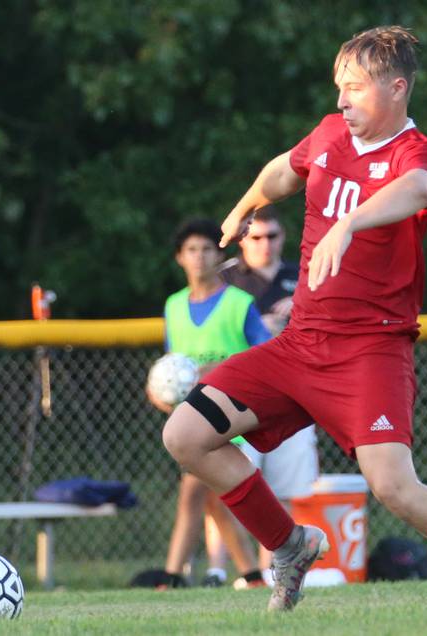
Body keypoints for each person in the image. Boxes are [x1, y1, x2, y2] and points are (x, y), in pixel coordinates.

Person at [162, 26, 427, 611]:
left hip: (369, 353)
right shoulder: (332, 134)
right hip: (300, 345)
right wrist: (242, 207)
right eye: (339, 87)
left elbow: (417, 188)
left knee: (394, 487)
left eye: (355, 88)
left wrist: (350, 221)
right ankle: (290, 546)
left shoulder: (418, 151)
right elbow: (284, 170)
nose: (341, 101)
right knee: (185, 436)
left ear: (398, 89)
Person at [148, 218, 271, 589]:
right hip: (193, 417)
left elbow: (268, 354)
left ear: (220, 255)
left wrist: (222, 367)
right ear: (179, 258)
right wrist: (159, 389)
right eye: (191, 250)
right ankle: (252, 576)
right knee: (216, 500)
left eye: (207, 249)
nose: (199, 257)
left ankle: (171, 577)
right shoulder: (173, 306)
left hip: (233, 414)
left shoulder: (239, 304)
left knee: (191, 493)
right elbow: (173, 365)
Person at [217, 206, 319, 580]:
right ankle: (221, 569)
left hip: (293, 393)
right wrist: (258, 325)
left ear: (283, 237)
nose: (264, 244)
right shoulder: (225, 278)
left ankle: (273, 569)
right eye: (256, 237)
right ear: (243, 239)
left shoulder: (302, 276)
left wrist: (301, 312)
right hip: (236, 394)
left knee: (285, 490)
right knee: (229, 486)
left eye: (272, 236)